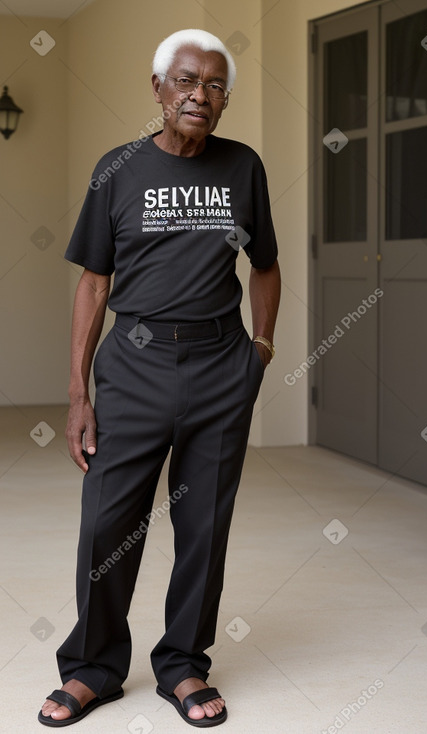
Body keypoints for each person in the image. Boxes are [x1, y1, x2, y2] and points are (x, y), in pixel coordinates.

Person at [38, 28, 280, 729]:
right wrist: (79, 393)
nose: (197, 94)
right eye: (183, 80)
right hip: (134, 365)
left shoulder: (243, 167)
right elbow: (92, 285)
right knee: (106, 524)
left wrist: (259, 349)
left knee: (202, 526)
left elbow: (264, 263)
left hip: (218, 367)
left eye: (211, 84)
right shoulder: (117, 170)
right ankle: (93, 668)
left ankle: (182, 665)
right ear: (157, 89)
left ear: (224, 98)